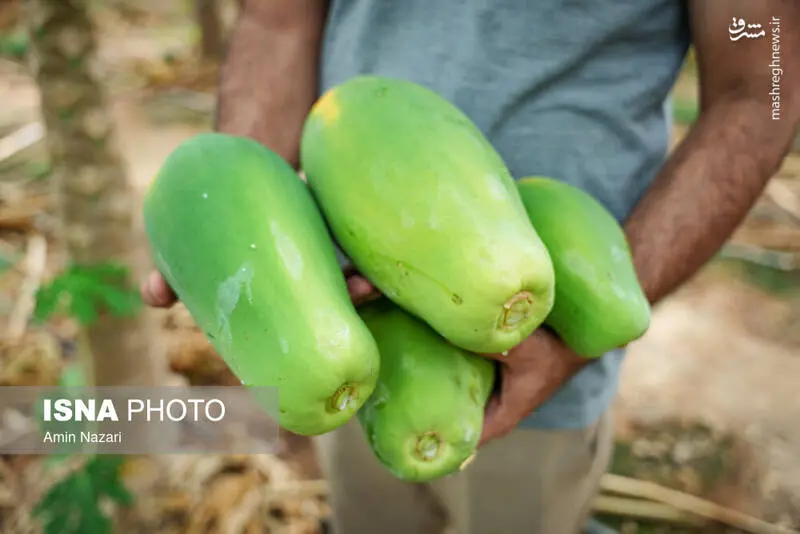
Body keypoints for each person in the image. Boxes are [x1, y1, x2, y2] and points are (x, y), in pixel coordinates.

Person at [141, 1, 800, 532]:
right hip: (346, 311)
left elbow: (763, 82)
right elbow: (278, 17)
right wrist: (243, 229)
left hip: (544, 341)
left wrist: (580, 332)